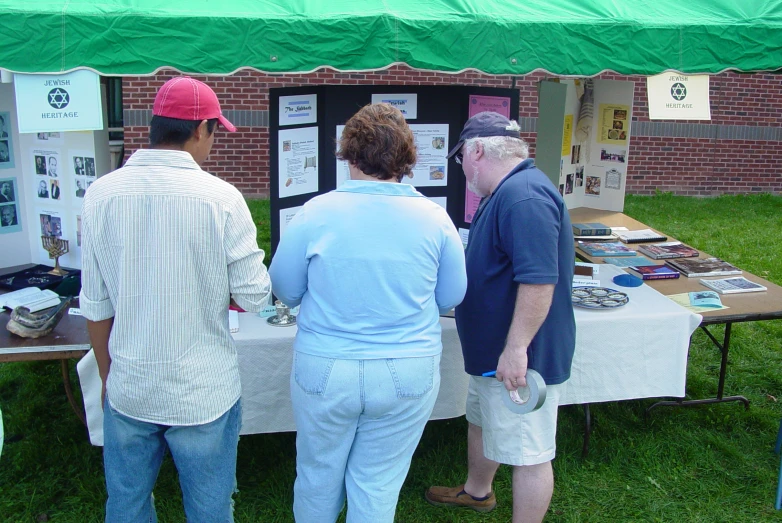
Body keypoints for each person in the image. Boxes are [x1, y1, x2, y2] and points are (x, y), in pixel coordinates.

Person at [79, 76, 272, 522]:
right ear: (201, 129)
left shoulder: (100, 194)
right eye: (215, 131)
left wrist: (110, 378)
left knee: (126, 506)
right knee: (209, 510)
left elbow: (95, 304)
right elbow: (255, 294)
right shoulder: (222, 199)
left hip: (130, 384)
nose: (213, 143)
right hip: (202, 391)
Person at [269, 103, 467, 523]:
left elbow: (285, 290)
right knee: (377, 483)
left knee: (318, 475)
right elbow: (451, 296)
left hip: (325, 366)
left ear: (349, 154)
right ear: (408, 159)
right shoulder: (435, 219)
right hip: (407, 366)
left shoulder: (316, 212)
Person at [425, 112, 576, 523]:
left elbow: (539, 281)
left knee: (529, 451)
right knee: (481, 418)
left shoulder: (523, 196)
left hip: (522, 359)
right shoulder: (506, 190)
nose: (461, 169)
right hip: (495, 352)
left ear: (476, 150)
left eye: (460, 159)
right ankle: (477, 492)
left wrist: (515, 349)